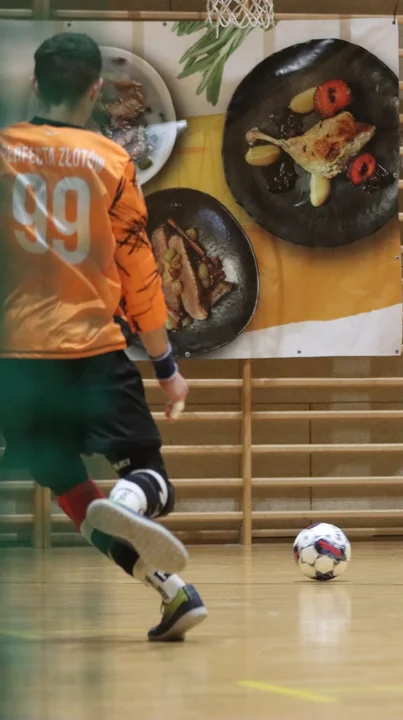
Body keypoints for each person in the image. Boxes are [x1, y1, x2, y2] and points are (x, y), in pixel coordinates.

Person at [0, 32, 209, 639]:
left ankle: (169, 591)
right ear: (96, 89)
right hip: (93, 346)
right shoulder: (113, 162)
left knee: (64, 480)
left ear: (36, 84)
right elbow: (139, 269)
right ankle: (131, 505)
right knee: (149, 475)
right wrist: (166, 365)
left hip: (16, 358)